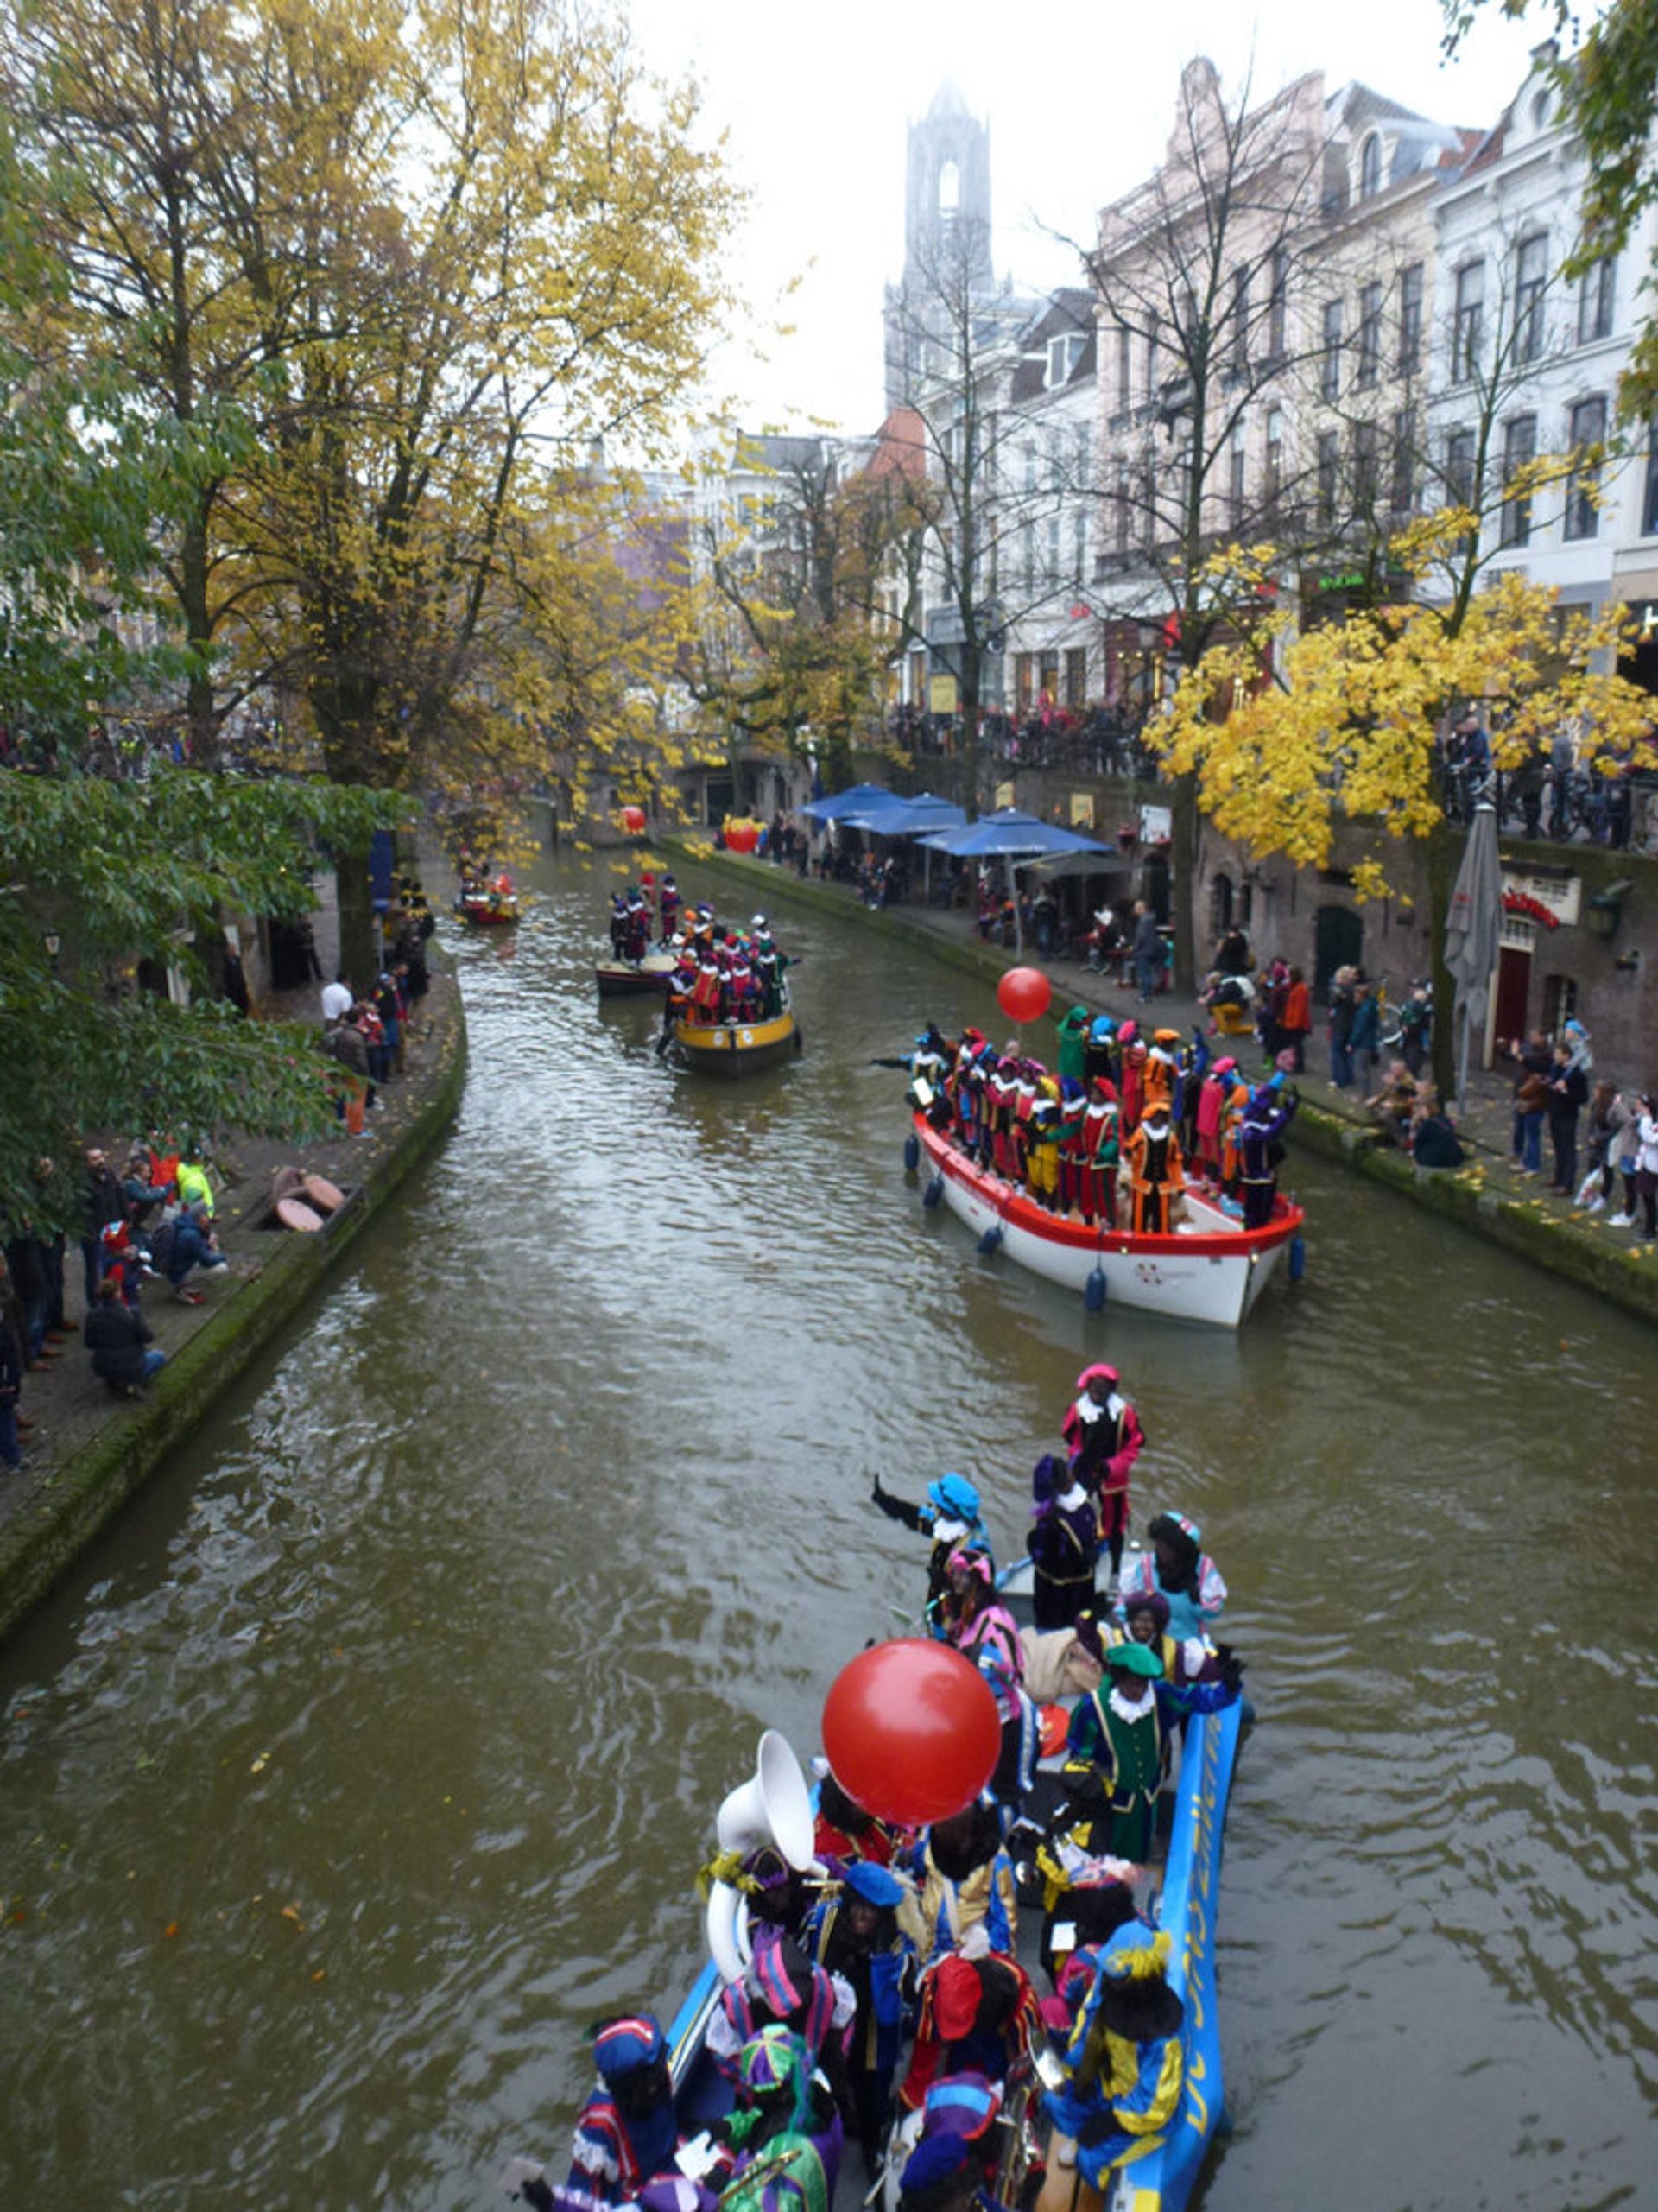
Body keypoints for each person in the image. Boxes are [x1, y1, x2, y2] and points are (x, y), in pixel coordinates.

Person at [1040, 1923, 1185, 2196]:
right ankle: (1085, 2130)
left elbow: (1155, 2104)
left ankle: (1100, 2190)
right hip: (1104, 2083)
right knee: (1054, 2105)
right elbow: (1086, 2026)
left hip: (1138, 2111)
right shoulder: (1107, 1987)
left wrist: (1110, 2122)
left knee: (1089, 2160)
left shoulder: (1162, 2036)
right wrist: (1078, 2070)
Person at [805, 1861, 916, 2168]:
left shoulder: (896, 1947)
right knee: (829, 2089)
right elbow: (812, 1969)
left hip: (873, 2039)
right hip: (832, 2032)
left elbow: (889, 2016)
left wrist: (881, 1962)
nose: (863, 1915)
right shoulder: (825, 1920)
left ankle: (871, 2150)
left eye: (872, 1909)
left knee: (873, 2102)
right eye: (858, 1906)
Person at [527, 2014, 683, 2212]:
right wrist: (551, 2202)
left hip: (674, 2170)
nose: (656, 2085)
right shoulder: (600, 2121)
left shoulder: (659, 2079)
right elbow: (583, 2187)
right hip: (640, 2201)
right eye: (648, 2083)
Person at [940, 1549, 1030, 1811]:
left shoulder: (995, 1622)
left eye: (961, 1574)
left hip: (996, 1709)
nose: (955, 1580)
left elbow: (1008, 1674)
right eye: (953, 1574)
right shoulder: (965, 1612)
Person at [1060, 1366, 1143, 1594]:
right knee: (1080, 1518)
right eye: (1093, 1388)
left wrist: (1111, 1467)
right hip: (1085, 1473)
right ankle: (1084, 1563)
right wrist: (1081, 1463)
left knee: (1115, 1525)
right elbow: (1073, 1442)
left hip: (1114, 1477)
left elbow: (1133, 1447)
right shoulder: (1078, 1411)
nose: (1097, 1393)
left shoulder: (1125, 1413)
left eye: (1103, 1389)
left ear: (1111, 1390)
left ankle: (1116, 1571)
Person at [870, 1473, 991, 1622]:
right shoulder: (945, 1523)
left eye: (940, 1506)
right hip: (938, 1605)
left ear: (952, 1512)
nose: (937, 1509)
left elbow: (977, 1597)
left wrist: (945, 1582)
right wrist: (883, 1500)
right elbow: (913, 1516)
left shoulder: (976, 1550)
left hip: (958, 1620)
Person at [1117, 1511, 1226, 1644]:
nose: (1160, 1550)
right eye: (1159, 1543)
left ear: (1180, 1550)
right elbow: (1124, 1604)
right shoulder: (1146, 1568)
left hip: (1192, 1639)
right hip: (1154, 1640)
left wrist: (1199, 1601)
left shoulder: (1204, 1568)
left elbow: (1214, 1610)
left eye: (1167, 1547)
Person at [1027, 1453, 1099, 1631]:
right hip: (1083, 1582)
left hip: (1058, 1591)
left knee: (1055, 1628)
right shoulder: (1085, 1505)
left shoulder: (1052, 1521)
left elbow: (1043, 1556)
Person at [83, 1275, 167, 1396]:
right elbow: (147, 1337)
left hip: (102, 1366)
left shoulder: (92, 1316)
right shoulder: (132, 1313)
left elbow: (89, 1343)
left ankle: (115, 1380)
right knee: (159, 1356)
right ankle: (134, 1382)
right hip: (132, 1364)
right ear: (117, 1293)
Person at [161, 1201, 229, 1304]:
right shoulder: (191, 1235)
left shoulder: (185, 1223)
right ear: (201, 1217)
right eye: (206, 1215)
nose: (208, 1217)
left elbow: (196, 1247)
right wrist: (223, 1256)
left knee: (211, 1247)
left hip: (179, 1265)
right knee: (221, 1268)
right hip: (179, 1273)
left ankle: (186, 1286)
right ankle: (184, 1289)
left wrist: (208, 1243)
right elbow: (208, 1261)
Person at [1546, 1037, 1589, 1195]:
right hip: (1555, 1112)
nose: (1555, 1056)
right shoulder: (1555, 1069)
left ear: (1566, 1055)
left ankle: (1567, 1184)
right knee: (1557, 1146)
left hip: (1568, 1115)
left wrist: (1566, 1092)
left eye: (1558, 1053)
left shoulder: (1577, 1075)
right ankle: (1558, 1177)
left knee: (1568, 1149)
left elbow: (1583, 1098)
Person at [1279, 965, 1312, 1074]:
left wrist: (1294, 1024)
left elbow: (1299, 1009)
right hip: (1291, 1022)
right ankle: (1292, 1065)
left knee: (1297, 1046)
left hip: (1297, 1024)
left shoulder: (1301, 989)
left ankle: (1299, 1067)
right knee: (1294, 1046)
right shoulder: (1294, 987)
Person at [1129, 903, 1161, 1005]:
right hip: (1150, 949)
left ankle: (1145, 995)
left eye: (1136, 909)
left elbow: (1141, 936)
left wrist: (1135, 947)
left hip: (1143, 950)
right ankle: (1148, 993)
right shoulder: (1150, 919)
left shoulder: (1144, 921)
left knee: (1144, 974)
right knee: (1148, 973)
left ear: (1142, 909)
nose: (1135, 911)